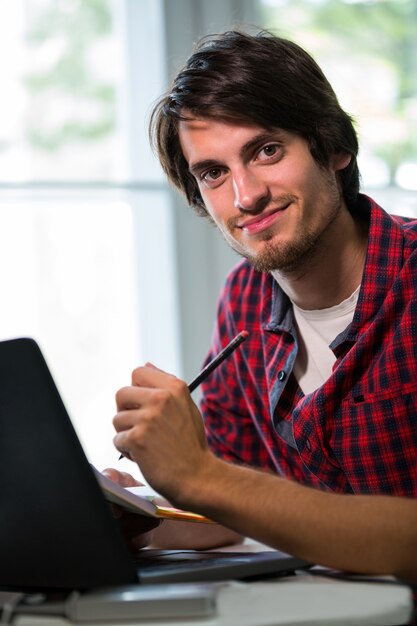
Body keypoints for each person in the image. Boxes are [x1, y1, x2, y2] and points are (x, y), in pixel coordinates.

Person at [108, 29, 417, 580]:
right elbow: (237, 503)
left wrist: (201, 475)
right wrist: (137, 517)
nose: (245, 196)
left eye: (266, 151)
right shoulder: (245, 301)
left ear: (334, 146)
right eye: (214, 173)